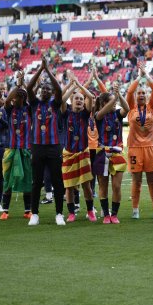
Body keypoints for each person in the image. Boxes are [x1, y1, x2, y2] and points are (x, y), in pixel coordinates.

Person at [26, 56, 67, 226]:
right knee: (37, 181)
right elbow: (29, 87)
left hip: (54, 147)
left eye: (47, 90)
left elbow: (59, 89)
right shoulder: (34, 104)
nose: (44, 91)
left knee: (57, 181)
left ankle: (59, 213)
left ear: (51, 93)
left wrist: (48, 71)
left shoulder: (55, 104)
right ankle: (34, 213)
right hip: (37, 147)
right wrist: (40, 70)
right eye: (42, 89)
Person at [126, 62, 153, 219]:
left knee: (152, 180)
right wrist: (138, 77)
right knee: (137, 180)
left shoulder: (152, 108)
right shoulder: (131, 109)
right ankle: (135, 210)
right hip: (134, 148)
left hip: (150, 147)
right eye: (138, 93)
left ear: (147, 97)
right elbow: (129, 91)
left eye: (143, 93)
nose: (141, 95)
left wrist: (146, 76)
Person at [94, 82, 129, 224]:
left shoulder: (117, 114)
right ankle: (106, 214)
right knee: (103, 185)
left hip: (117, 153)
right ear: (103, 103)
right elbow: (103, 111)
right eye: (110, 101)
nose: (113, 104)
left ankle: (114, 214)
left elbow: (126, 108)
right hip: (102, 152)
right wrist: (114, 98)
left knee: (116, 186)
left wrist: (119, 94)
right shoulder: (98, 114)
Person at [61, 80, 95, 223]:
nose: (80, 101)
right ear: (71, 100)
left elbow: (91, 98)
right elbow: (62, 99)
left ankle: (90, 211)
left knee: (86, 185)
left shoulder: (85, 115)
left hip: (83, 153)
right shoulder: (65, 113)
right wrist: (71, 87)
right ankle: (71, 213)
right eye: (77, 99)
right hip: (68, 153)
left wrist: (80, 88)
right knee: (69, 186)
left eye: (81, 99)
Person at [0, 73, 32, 220]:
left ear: (23, 99)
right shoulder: (9, 109)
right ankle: (5, 210)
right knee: (8, 180)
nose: (14, 99)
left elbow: (31, 97)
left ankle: (27, 210)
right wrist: (17, 85)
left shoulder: (29, 109)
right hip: (11, 150)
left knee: (27, 180)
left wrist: (23, 87)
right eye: (13, 97)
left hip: (25, 150)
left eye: (17, 97)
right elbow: (7, 100)